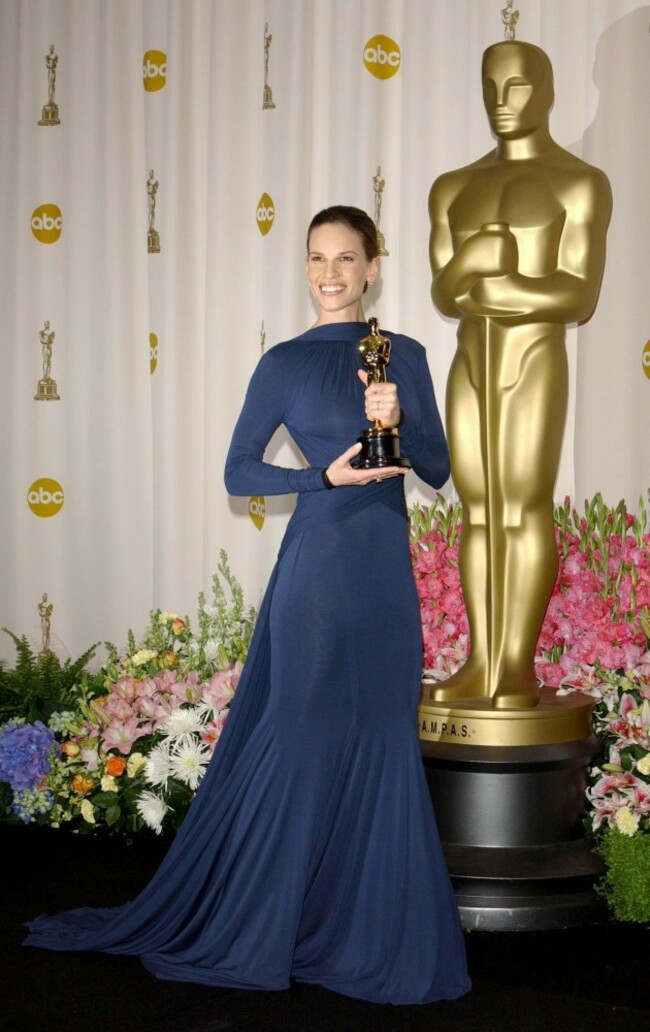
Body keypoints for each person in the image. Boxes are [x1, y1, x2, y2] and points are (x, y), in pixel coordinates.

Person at [24, 206, 470, 1006]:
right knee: (301, 740)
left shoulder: (404, 355)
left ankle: (360, 932)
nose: (330, 272)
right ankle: (261, 925)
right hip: (320, 576)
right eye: (316, 259)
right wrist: (319, 479)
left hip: (382, 581)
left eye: (345, 258)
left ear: (373, 267)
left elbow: (436, 467)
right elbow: (239, 472)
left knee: (380, 737)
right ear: (307, 269)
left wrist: (400, 421)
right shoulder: (284, 362)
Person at [428, 41, 611, 709]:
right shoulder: (454, 186)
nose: (503, 103)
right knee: (477, 512)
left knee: (523, 507)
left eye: (518, 88)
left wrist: (497, 284)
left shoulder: (578, 181)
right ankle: (480, 660)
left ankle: (516, 666)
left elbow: (578, 294)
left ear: (547, 90)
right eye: (491, 87)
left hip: (533, 359)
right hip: (472, 361)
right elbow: (446, 294)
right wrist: (476, 257)